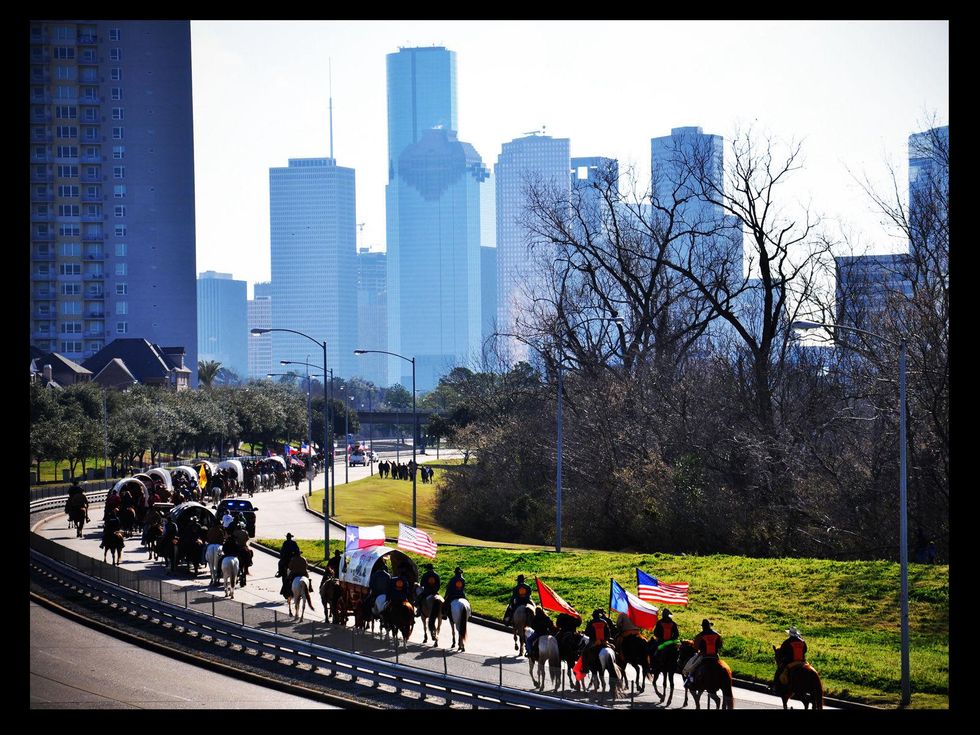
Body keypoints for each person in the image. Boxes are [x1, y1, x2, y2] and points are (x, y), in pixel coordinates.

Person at [684, 619, 723, 686]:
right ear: (709, 626)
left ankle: (689, 680)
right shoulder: (718, 635)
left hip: (704, 656)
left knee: (691, 666)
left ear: (703, 627)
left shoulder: (699, 636)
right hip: (715, 656)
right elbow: (720, 645)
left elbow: (695, 647)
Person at [774, 626, 808, 691]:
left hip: (791, 661)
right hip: (802, 662)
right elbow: (805, 650)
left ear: (790, 634)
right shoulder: (803, 641)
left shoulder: (787, 642)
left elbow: (782, 652)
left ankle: (775, 686)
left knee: (779, 671)